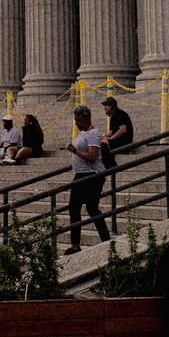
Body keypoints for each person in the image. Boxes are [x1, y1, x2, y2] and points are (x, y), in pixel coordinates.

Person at [62, 106, 110, 254]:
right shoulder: (83, 133)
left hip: (92, 175)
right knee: (74, 208)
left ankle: (106, 240)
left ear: (85, 119)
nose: (76, 123)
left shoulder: (93, 134)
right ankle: (75, 245)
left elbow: (93, 156)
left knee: (92, 208)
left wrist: (74, 150)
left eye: (78, 120)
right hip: (81, 175)